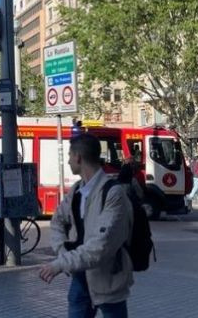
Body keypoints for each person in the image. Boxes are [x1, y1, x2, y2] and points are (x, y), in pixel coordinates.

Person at [39, 133, 134, 318]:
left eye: (69, 156)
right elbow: (58, 221)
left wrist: (61, 263)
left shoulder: (113, 193)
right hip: (80, 278)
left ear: (78, 157)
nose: (67, 161)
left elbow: (101, 245)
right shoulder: (76, 191)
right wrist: (63, 252)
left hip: (109, 280)